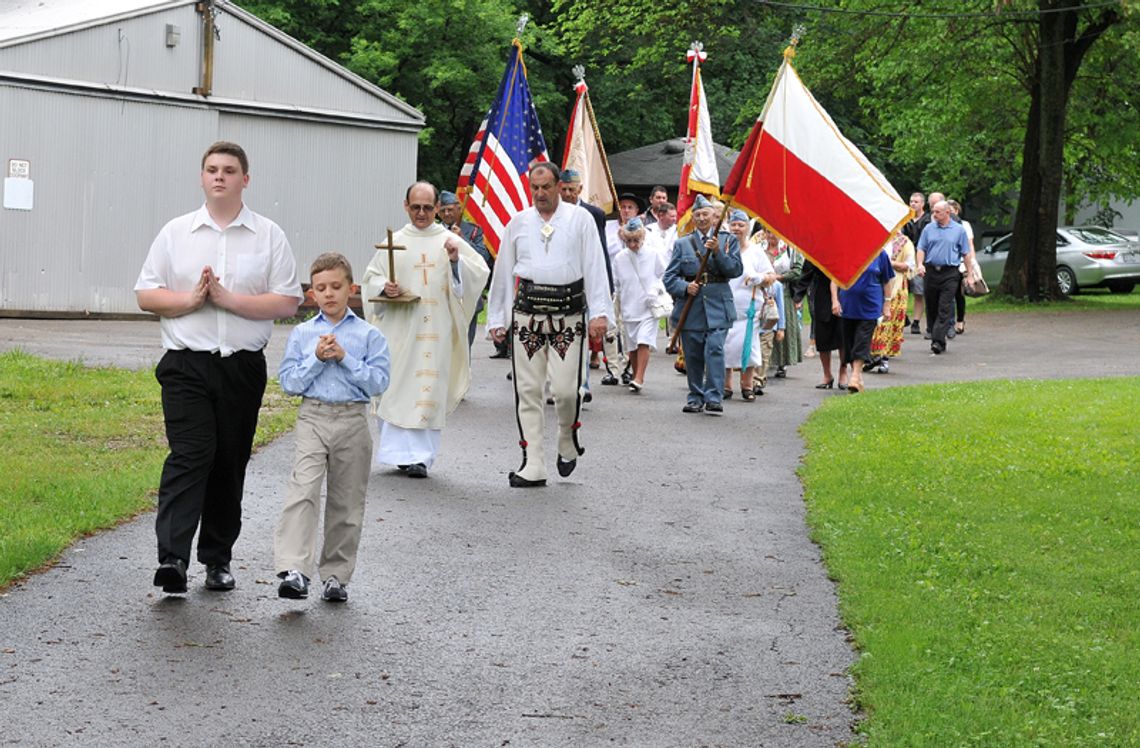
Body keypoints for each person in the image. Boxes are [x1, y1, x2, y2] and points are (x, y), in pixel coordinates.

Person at [135, 141, 303, 595]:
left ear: (245, 179)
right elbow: (146, 294)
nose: (220, 177)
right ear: (202, 176)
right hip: (186, 364)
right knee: (191, 455)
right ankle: (172, 559)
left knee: (228, 461)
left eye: (229, 170)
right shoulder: (176, 233)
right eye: (212, 169)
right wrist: (190, 300)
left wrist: (230, 300)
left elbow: (288, 299)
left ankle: (217, 559)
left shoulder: (268, 235)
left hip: (241, 367)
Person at [487, 162, 612, 487]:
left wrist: (600, 312)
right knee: (527, 391)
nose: (540, 194)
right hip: (526, 317)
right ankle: (534, 463)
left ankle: (567, 438)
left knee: (566, 392)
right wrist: (498, 318)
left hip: (569, 318)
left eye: (546, 187)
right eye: (535, 188)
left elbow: (595, 266)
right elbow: (503, 270)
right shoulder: (518, 223)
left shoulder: (580, 219)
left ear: (558, 186)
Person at [274, 253, 390, 603]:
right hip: (314, 416)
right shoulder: (303, 333)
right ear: (312, 294)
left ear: (351, 289)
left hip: (352, 420)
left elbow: (379, 381)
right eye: (321, 288)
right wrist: (316, 358)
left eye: (336, 287)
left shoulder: (369, 335)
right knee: (303, 490)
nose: (329, 294)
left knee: (347, 498)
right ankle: (294, 569)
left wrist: (344, 358)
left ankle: (336, 575)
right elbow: (289, 382)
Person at [362, 182, 490, 478]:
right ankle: (397, 455)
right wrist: (385, 287)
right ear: (405, 205)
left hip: (436, 330)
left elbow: (478, 274)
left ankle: (420, 457)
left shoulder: (449, 240)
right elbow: (371, 279)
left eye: (427, 208)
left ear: (436, 209)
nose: (421, 213)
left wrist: (456, 262)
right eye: (416, 207)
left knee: (427, 390)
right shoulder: (393, 241)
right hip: (399, 330)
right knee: (396, 387)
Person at [663, 194, 743, 414]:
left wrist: (717, 251)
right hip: (692, 307)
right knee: (694, 353)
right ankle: (695, 396)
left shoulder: (728, 241)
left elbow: (735, 270)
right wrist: (684, 287)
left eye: (705, 214)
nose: (701, 218)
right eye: (697, 214)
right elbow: (669, 278)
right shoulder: (683, 243)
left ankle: (714, 396)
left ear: (714, 217)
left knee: (715, 348)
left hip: (719, 304)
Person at [723, 210, 775, 402]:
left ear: (747, 228)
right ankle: (725, 386)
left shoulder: (755, 251)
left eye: (741, 225)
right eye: (734, 225)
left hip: (749, 308)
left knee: (749, 346)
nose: (736, 228)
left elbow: (771, 277)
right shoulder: (724, 248)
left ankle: (747, 385)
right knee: (725, 345)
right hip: (726, 306)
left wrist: (759, 278)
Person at [612, 217, 666, 392]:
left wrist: (655, 290)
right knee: (632, 345)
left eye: (636, 240)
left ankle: (640, 377)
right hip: (628, 306)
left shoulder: (653, 254)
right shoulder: (620, 258)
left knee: (644, 340)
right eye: (629, 241)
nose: (633, 245)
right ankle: (636, 376)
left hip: (648, 307)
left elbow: (663, 275)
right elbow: (616, 284)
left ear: (643, 238)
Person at [916, 199, 976, 355]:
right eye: (933, 211)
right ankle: (937, 337)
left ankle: (937, 340)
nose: (933, 215)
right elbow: (921, 248)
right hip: (930, 271)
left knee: (945, 306)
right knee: (932, 305)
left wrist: (969, 274)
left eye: (937, 212)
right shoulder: (929, 228)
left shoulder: (959, 230)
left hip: (950, 273)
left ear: (947, 212)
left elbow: (966, 253)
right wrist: (920, 264)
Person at [437, 190, 494, 353]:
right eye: (443, 210)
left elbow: (483, 257)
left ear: (459, 209)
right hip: (443, 295)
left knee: (463, 347)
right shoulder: (434, 231)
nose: (447, 213)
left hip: (467, 295)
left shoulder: (473, 231)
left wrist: (462, 238)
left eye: (450, 209)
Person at [831, 250, 895, 393]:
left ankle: (854, 376)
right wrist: (835, 300)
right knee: (850, 342)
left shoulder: (880, 254)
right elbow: (834, 278)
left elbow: (887, 281)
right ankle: (858, 378)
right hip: (848, 305)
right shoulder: (844, 253)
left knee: (862, 339)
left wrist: (887, 304)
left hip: (870, 306)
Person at [867, 233, 915, 373]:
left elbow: (909, 266)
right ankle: (871, 354)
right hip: (875, 285)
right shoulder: (874, 238)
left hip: (897, 286)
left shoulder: (904, 242)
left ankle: (883, 357)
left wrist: (888, 263)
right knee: (872, 321)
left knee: (888, 322)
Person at [759, 229, 804, 378]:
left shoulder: (790, 248)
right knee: (764, 327)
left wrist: (778, 277)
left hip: (783, 293)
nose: (772, 236)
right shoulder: (760, 247)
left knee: (782, 326)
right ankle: (765, 360)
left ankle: (782, 362)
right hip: (763, 292)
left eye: (775, 233)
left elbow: (798, 271)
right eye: (769, 233)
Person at [903, 192, 930, 335]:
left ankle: (916, 322)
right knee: (902, 290)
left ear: (922, 204)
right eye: (911, 201)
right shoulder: (905, 219)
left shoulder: (928, 220)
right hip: (905, 258)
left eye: (916, 202)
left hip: (919, 258)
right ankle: (902, 317)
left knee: (919, 292)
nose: (913, 204)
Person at [946, 199, 974, 337]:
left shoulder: (964, 225)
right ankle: (948, 323)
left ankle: (960, 320)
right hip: (948, 263)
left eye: (950, 211)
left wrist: (972, 263)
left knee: (959, 293)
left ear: (956, 211)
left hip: (961, 262)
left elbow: (969, 245)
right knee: (949, 293)